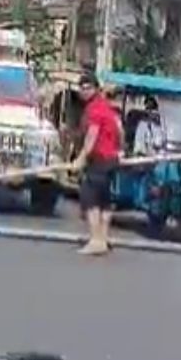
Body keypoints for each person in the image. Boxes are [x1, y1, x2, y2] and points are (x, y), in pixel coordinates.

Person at [73, 73, 123, 256]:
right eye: (82, 88)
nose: (84, 91)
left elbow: (92, 135)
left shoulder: (95, 108)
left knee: (90, 197)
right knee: (104, 200)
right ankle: (102, 239)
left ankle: (96, 240)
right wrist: (119, 150)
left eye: (87, 88)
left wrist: (81, 159)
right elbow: (119, 129)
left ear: (95, 89)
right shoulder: (106, 107)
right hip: (111, 160)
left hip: (100, 160)